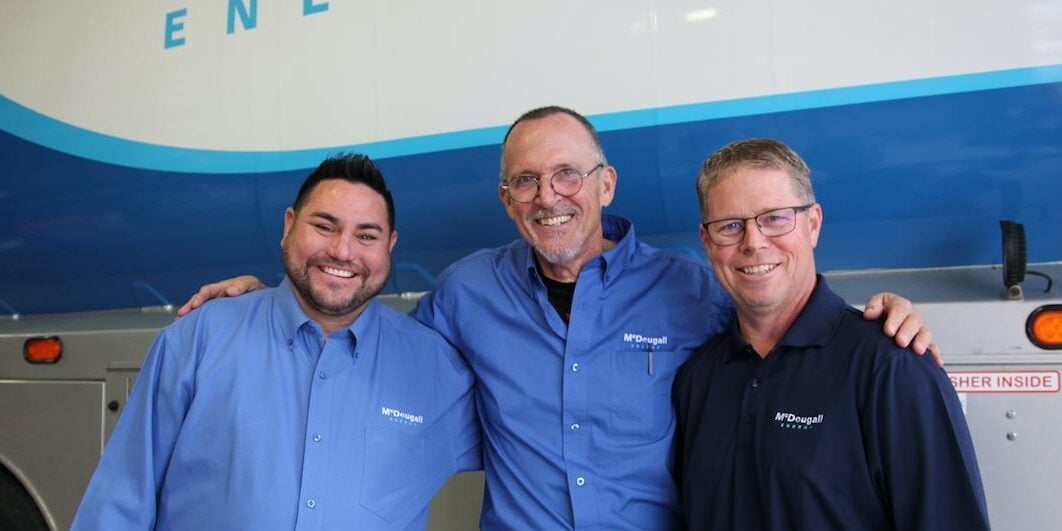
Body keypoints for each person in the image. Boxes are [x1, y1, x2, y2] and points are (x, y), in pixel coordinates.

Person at [178, 107, 938, 529]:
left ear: (605, 183)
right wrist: (273, 294)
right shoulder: (465, 292)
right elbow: (366, 344)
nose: (551, 195)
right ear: (507, 199)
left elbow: (781, 321)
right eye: (527, 180)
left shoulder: (691, 288)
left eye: (569, 173)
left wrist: (881, 320)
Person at [72, 154, 480, 530]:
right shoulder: (201, 338)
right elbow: (119, 502)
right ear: (289, 226)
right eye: (324, 226)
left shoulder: (436, 369)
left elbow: (530, 452)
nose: (342, 250)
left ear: (390, 246)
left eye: (367, 236)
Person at [672, 139, 988, 529]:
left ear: (813, 224)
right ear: (707, 242)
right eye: (730, 226)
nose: (753, 243)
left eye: (775, 218)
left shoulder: (890, 367)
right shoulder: (698, 377)